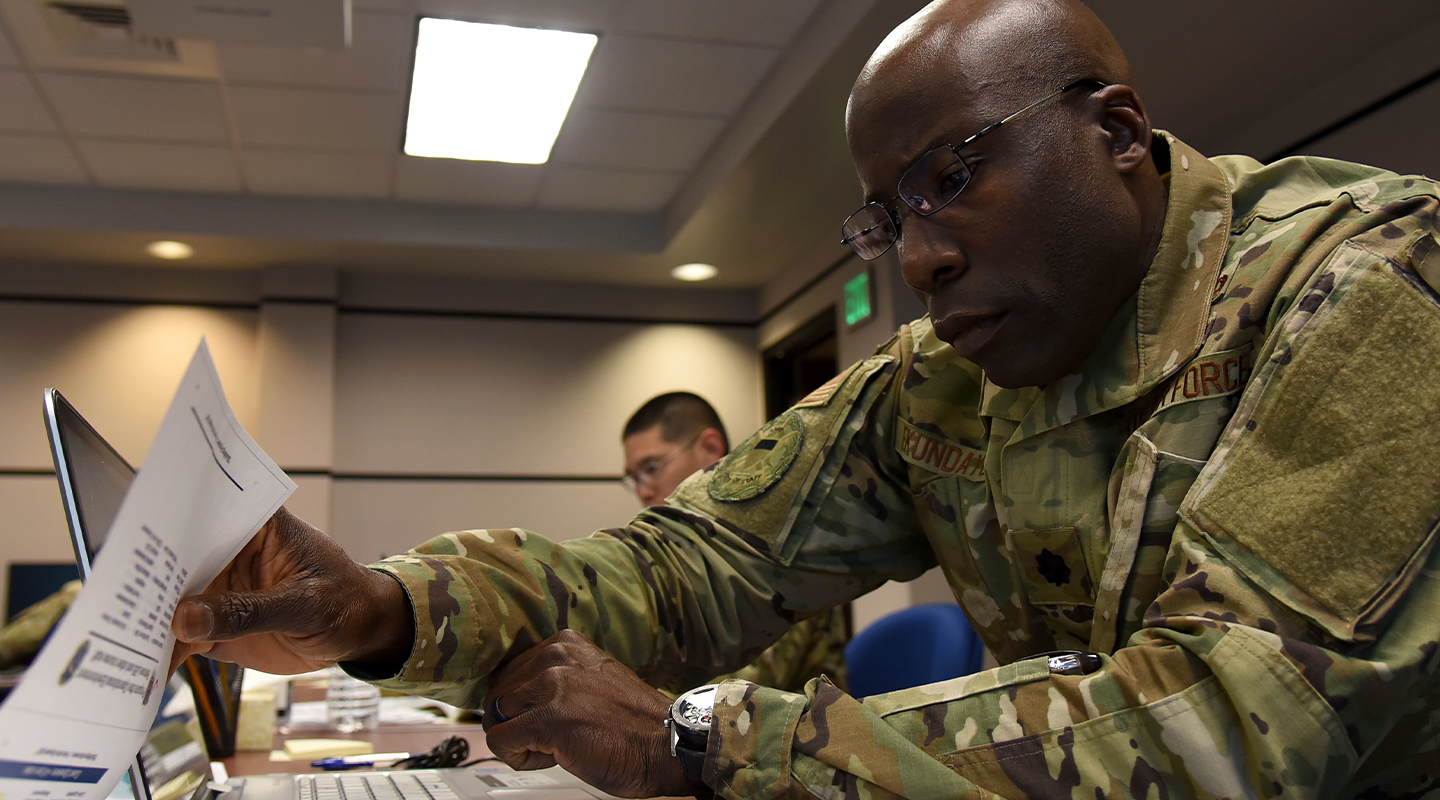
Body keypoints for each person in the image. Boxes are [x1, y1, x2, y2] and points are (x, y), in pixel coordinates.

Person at [169, 0, 1440, 795]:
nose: (921, 257)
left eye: (956, 173)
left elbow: (1235, 725)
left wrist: (705, 743)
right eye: (891, 216)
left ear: (1116, 130)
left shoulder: (1377, 287)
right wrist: (389, 608)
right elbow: (687, 565)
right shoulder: (934, 383)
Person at [621, 392, 849, 695]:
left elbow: (736, 693)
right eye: (634, 478)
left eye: (651, 468)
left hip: (796, 735)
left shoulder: (774, 538)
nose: (644, 492)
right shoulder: (686, 553)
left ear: (710, 449)